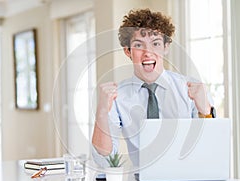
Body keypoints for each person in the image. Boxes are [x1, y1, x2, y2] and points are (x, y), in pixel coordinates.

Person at [92, 8, 215, 167]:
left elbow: (211, 148)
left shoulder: (191, 90)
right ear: (128, 51)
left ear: (166, 47)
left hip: (187, 180)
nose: (148, 53)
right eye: (138, 45)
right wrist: (102, 112)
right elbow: (104, 160)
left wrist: (204, 110)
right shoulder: (117, 97)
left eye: (155, 43)